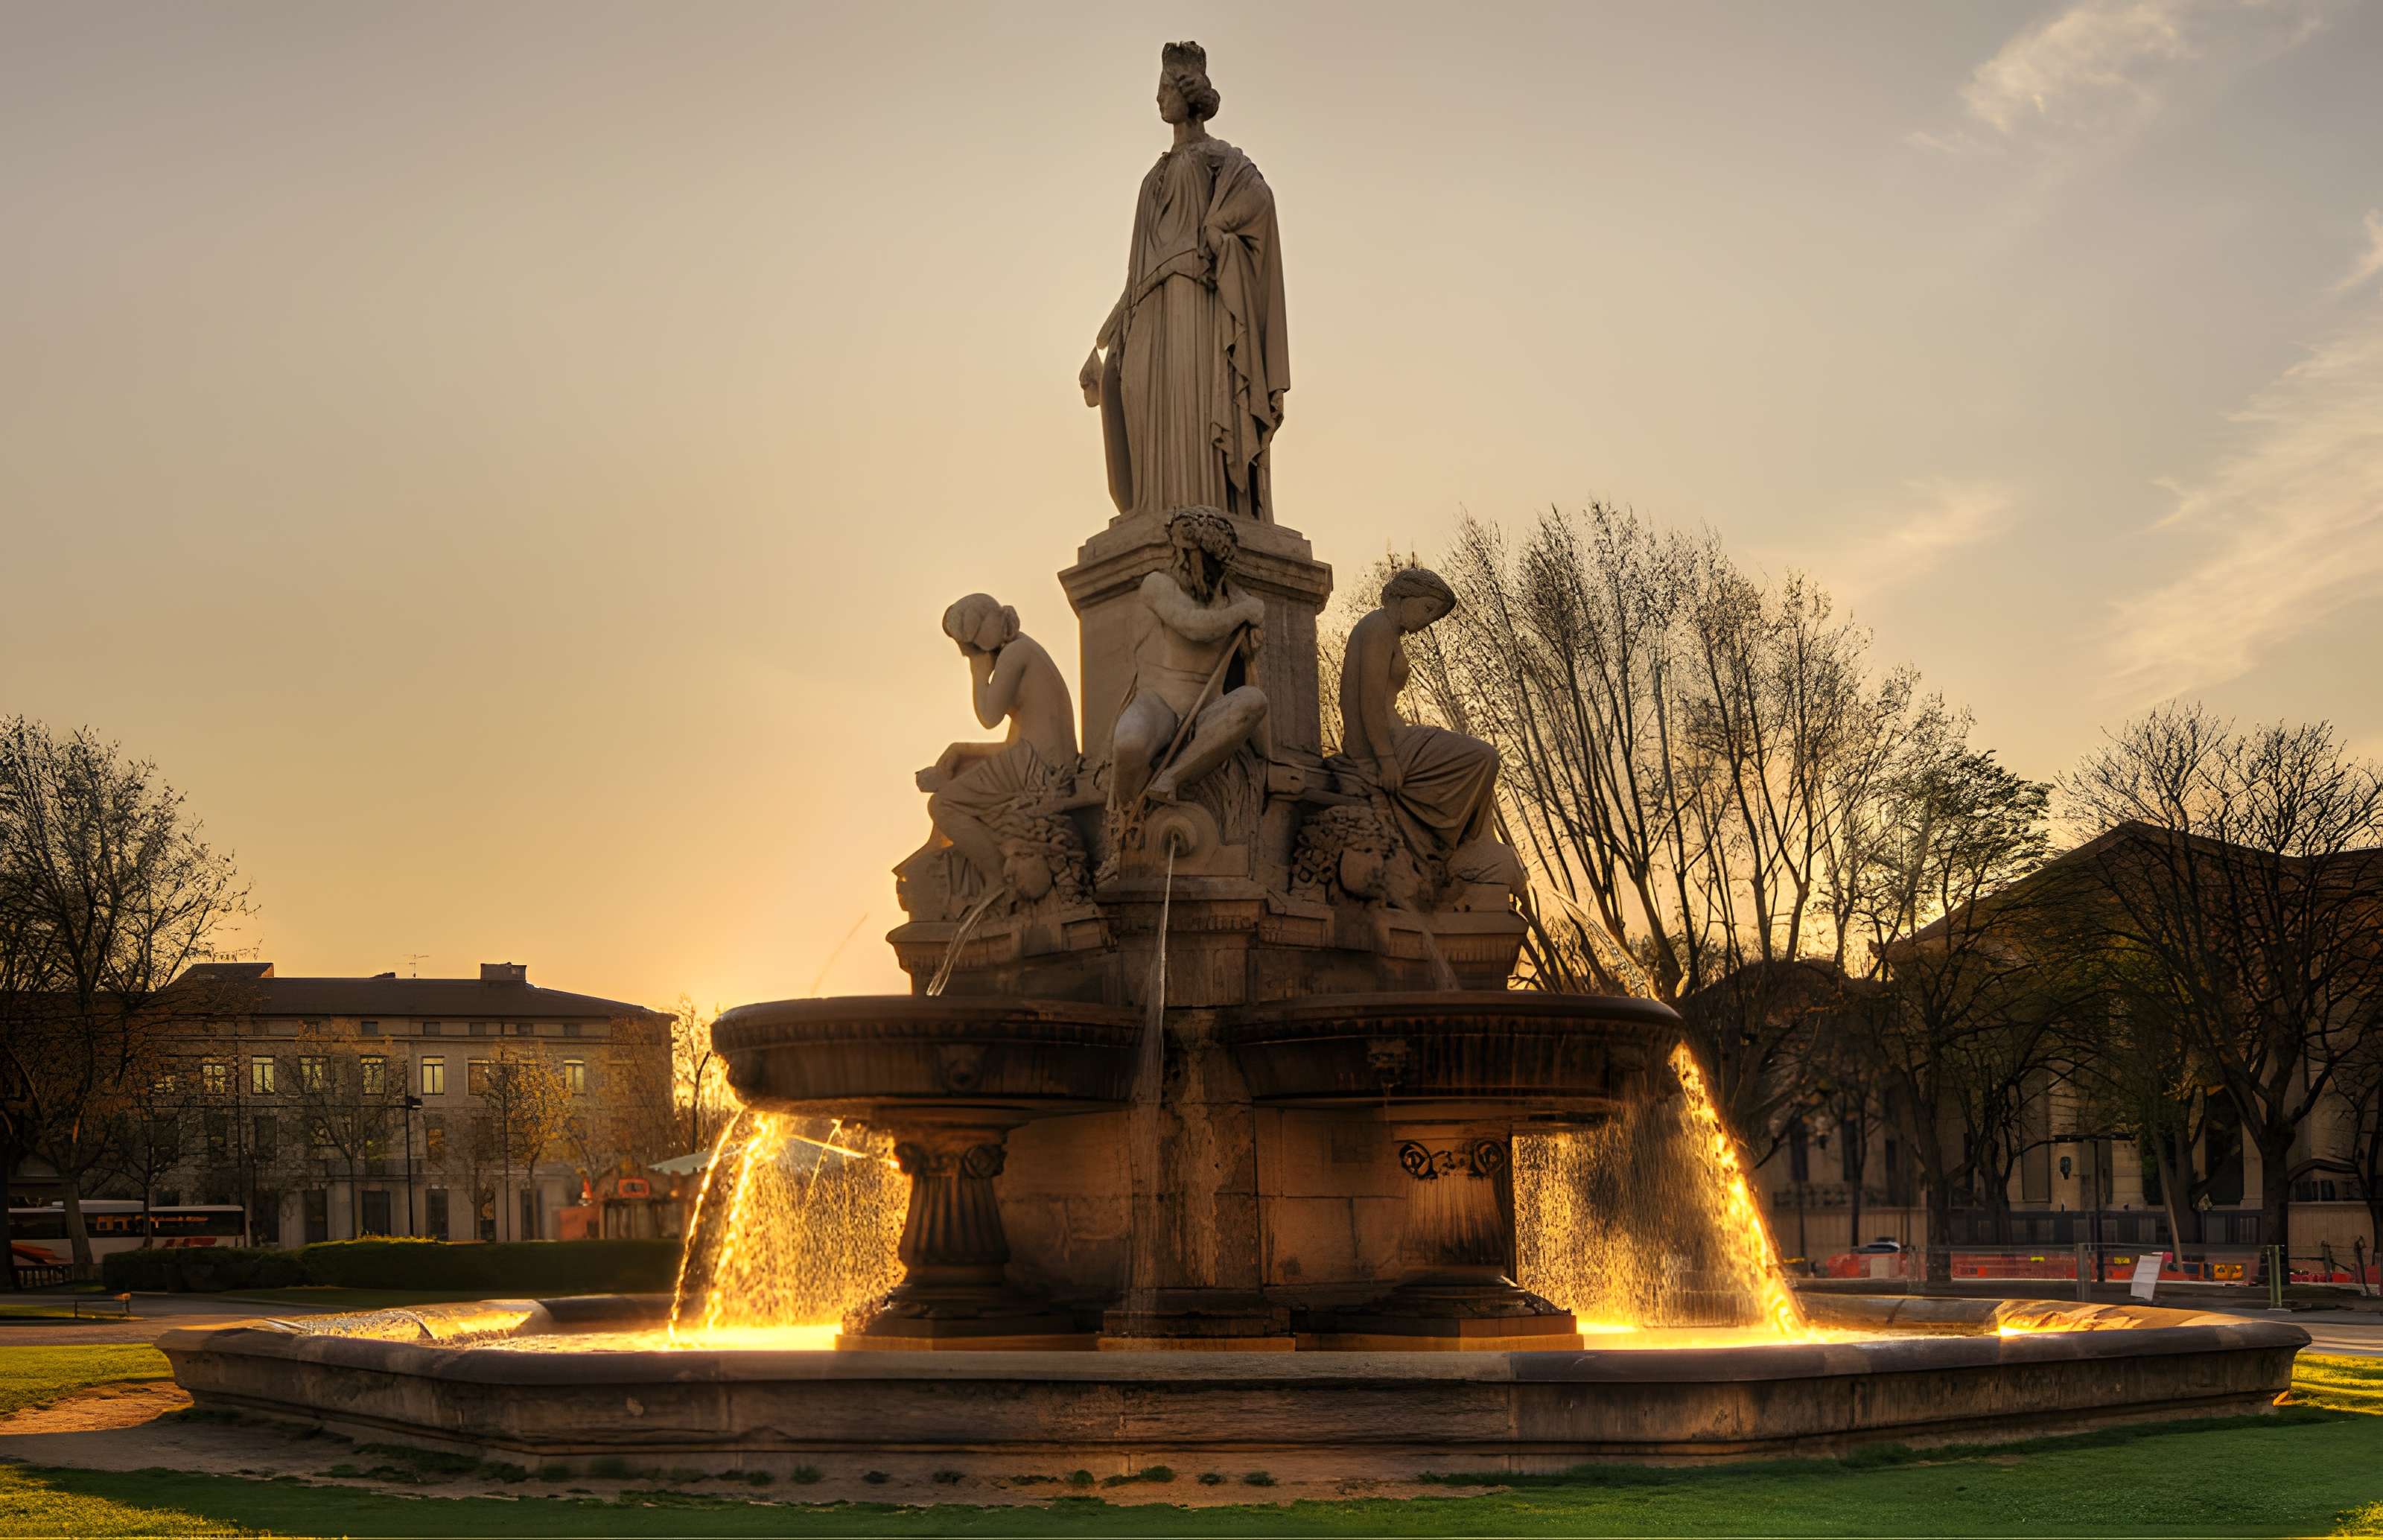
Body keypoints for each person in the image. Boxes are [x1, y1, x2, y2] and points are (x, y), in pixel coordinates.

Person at [1078, 40, 1288, 522]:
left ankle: (1207, 511)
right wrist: (1106, 341)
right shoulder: (1153, 176)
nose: (1158, 99)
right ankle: (1159, 510)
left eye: (1164, 88)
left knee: (1194, 414)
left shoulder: (1221, 160)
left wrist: (1218, 228)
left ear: (1186, 92)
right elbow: (1137, 275)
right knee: (1149, 421)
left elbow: (1260, 202)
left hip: (1197, 305)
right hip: (1149, 313)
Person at [915, 595, 1078, 902]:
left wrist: (978, 672)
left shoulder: (1015, 654)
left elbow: (988, 717)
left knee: (943, 805)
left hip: (1038, 769)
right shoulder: (1025, 649)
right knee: (961, 770)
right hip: (1038, 760)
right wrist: (962, 749)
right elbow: (1012, 744)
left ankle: (996, 878)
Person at [1337, 568, 1501, 866]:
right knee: (1484, 757)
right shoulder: (1379, 627)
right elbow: (1367, 700)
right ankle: (1466, 849)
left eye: (1434, 616)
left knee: (1481, 760)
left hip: (1393, 738)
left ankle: (1470, 844)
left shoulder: (1385, 630)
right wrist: (1385, 759)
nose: (1428, 621)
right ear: (1403, 596)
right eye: (1427, 608)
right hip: (1386, 744)